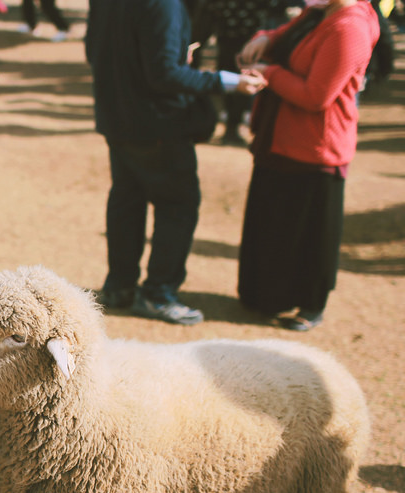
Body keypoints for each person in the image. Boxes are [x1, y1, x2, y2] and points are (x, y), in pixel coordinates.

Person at [85, 0, 266, 325]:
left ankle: (120, 287)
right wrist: (230, 82)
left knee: (127, 199)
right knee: (177, 205)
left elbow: (94, 52)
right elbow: (165, 73)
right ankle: (158, 293)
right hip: (157, 123)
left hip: (117, 116)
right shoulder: (164, 5)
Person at [236, 0, 380, 331]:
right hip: (281, 138)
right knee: (273, 225)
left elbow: (317, 95)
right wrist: (265, 38)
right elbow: (284, 35)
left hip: (316, 147)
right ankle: (266, 296)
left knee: (309, 233)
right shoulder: (321, 12)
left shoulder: (349, 26)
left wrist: (269, 73)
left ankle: (310, 305)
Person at [190, 0, 298, 144]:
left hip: (252, 40)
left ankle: (238, 125)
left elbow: (277, 9)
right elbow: (209, 12)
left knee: (248, 82)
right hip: (229, 38)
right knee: (232, 81)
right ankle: (231, 126)